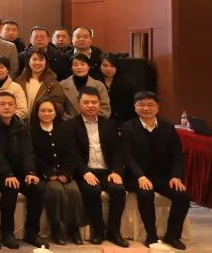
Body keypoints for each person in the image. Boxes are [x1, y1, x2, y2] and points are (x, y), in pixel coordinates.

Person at [121, 91, 189, 249]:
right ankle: (151, 236)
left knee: (183, 197)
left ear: (157, 107)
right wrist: (140, 176)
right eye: (141, 105)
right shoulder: (127, 127)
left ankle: (172, 236)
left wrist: (176, 176)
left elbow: (177, 155)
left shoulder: (168, 127)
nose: (146, 108)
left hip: (162, 176)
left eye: (150, 105)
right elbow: (128, 157)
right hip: (136, 177)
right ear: (135, 107)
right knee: (146, 193)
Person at [0, 91, 46, 249]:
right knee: (10, 187)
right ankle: (7, 232)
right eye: (2, 104)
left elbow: (28, 151)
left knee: (38, 188)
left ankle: (32, 232)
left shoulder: (21, 125)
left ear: (16, 107)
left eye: (10, 104)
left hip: (18, 172)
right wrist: (7, 174)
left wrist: (30, 172)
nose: (7, 107)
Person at [70, 87, 128, 248]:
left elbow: (118, 151)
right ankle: (98, 230)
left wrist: (116, 171)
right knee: (91, 190)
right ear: (79, 103)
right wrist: (84, 172)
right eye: (86, 102)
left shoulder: (109, 124)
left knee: (118, 190)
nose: (90, 106)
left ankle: (114, 231)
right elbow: (72, 153)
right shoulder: (71, 125)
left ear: (99, 103)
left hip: (107, 170)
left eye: (94, 102)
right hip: (86, 171)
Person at [30, 100, 83, 245]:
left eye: (50, 111)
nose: (46, 114)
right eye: (43, 111)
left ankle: (74, 228)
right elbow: (33, 156)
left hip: (65, 172)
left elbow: (72, 154)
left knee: (74, 190)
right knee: (55, 190)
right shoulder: (31, 131)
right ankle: (56, 228)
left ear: (55, 112)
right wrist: (48, 173)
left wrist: (65, 173)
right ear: (37, 113)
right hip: (45, 174)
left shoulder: (65, 129)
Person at [15, 50, 66, 120]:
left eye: (41, 60)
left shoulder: (53, 83)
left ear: (46, 62)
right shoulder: (19, 81)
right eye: (34, 59)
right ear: (29, 62)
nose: (37, 63)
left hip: (42, 122)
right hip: (20, 122)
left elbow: (58, 105)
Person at [59, 54, 110, 119]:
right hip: (70, 122)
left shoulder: (99, 85)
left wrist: (90, 120)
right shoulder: (62, 85)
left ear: (88, 67)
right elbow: (59, 109)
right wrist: (71, 121)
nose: (79, 67)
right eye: (75, 65)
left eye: (83, 64)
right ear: (71, 68)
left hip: (94, 122)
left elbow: (105, 109)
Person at [100, 54, 136, 124]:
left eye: (112, 66)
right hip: (100, 120)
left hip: (122, 120)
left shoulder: (126, 84)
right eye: (105, 65)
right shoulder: (95, 83)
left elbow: (130, 107)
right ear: (100, 66)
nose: (109, 69)